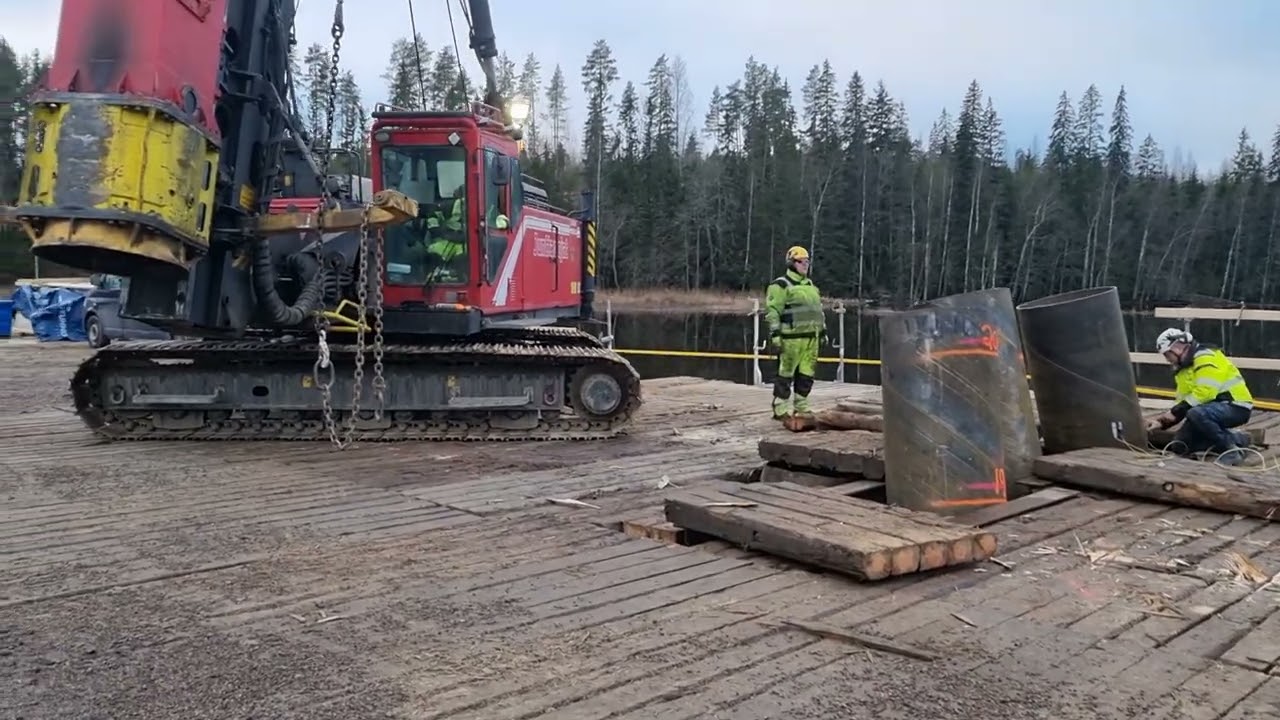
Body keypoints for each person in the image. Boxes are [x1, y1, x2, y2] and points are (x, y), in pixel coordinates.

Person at [1146, 328, 1253, 465]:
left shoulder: (1205, 357)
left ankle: (1230, 451)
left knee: (1196, 413)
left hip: (1235, 406)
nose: (1167, 359)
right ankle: (1237, 439)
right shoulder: (1183, 370)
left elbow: (1205, 393)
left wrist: (1176, 412)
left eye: (1167, 354)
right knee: (1180, 445)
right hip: (1207, 410)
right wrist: (1161, 423)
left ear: (1177, 348)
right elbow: (1183, 404)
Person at [764, 245, 827, 420]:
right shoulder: (781, 285)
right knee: (785, 373)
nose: (805, 265)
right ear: (791, 263)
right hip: (791, 338)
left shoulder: (810, 285)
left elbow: (818, 310)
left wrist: (823, 331)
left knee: (807, 374)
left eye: (807, 262)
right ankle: (780, 408)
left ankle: (801, 406)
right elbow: (773, 311)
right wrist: (775, 334)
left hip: (811, 338)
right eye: (801, 262)